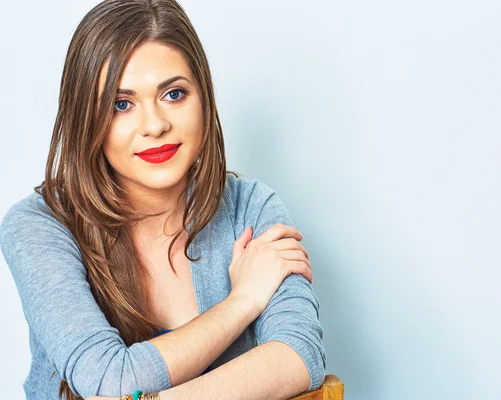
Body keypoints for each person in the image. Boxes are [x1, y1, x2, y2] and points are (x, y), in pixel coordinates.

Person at [0, 0, 326, 399]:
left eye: (173, 94)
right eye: (121, 104)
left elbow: (299, 356)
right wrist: (241, 302)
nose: (154, 125)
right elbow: (106, 379)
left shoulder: (250, 208)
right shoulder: (38, 226)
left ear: (203, 98)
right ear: (86, 117)